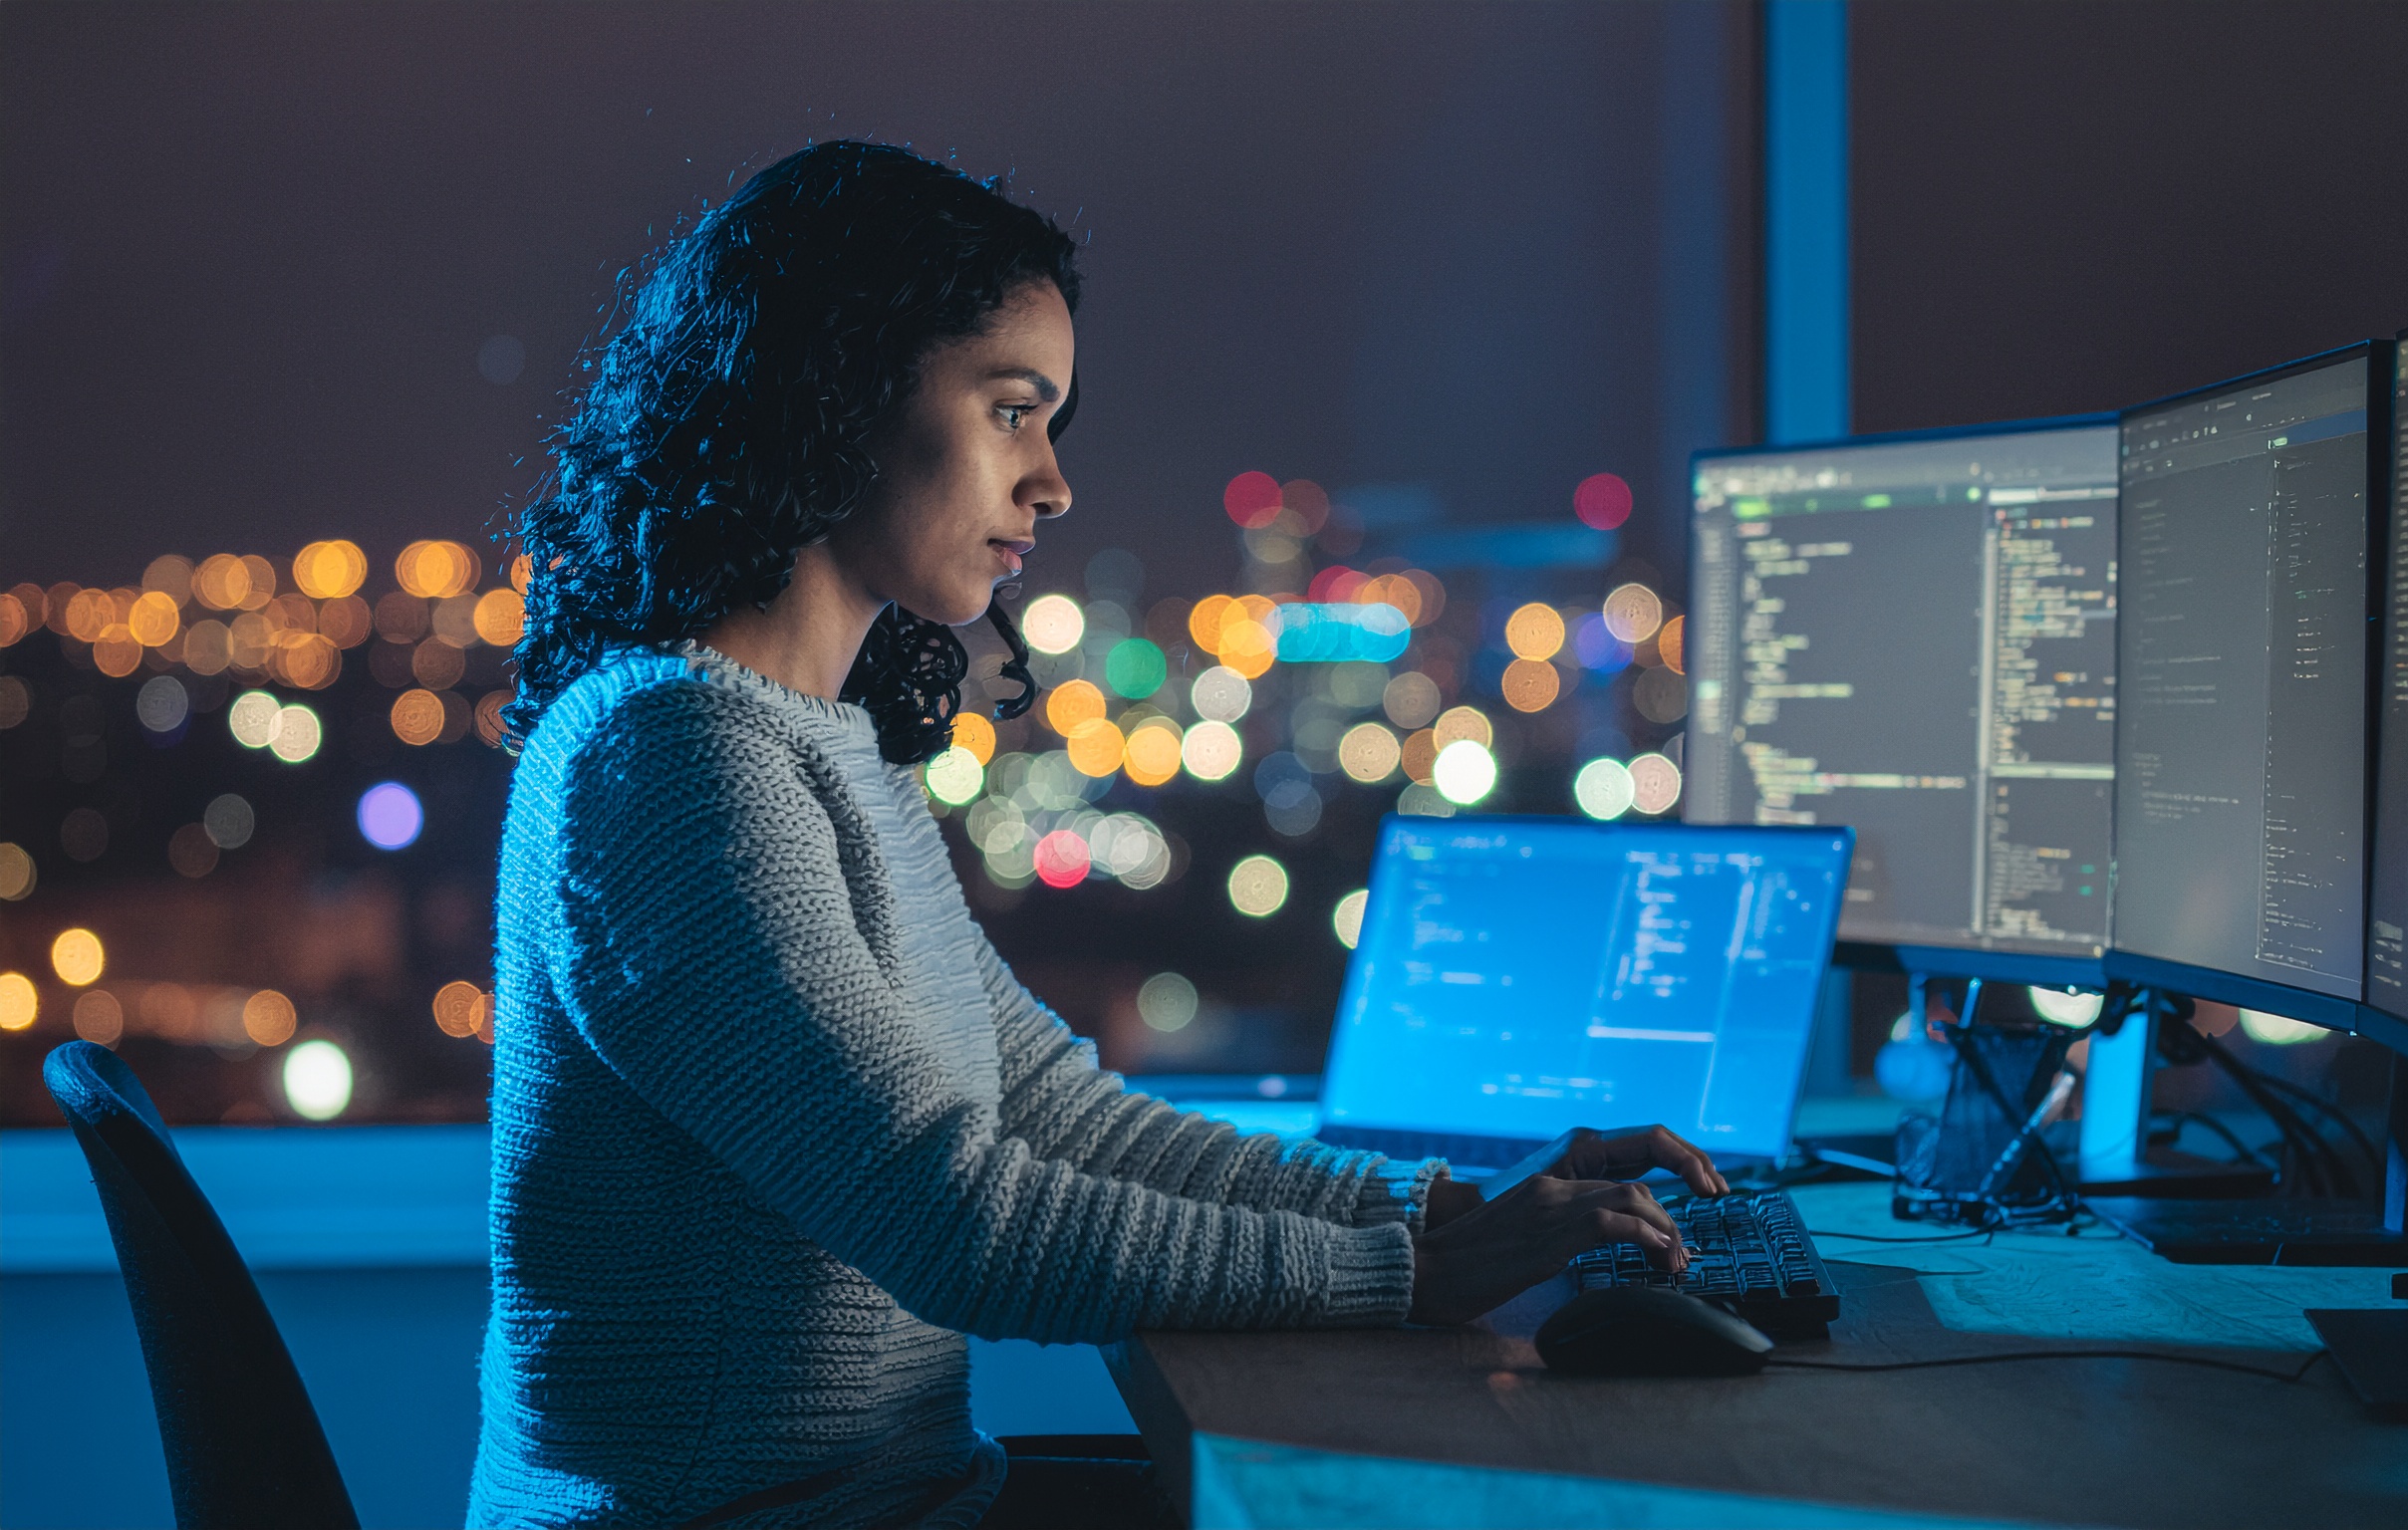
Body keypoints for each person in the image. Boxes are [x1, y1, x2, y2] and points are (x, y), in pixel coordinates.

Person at [473, 139, 1727, 1530]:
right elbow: (962, 1227)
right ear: (841, 388)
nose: (1053, 482)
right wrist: (1408, 1275)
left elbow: (1053, 1116)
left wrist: (1433, 1211)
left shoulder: (821, 747)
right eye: (1013, 411)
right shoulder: (671, 765)